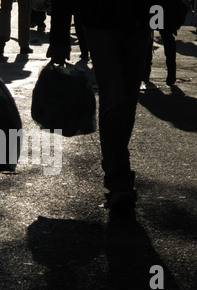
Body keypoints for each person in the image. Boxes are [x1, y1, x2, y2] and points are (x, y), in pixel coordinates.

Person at [47, 0, 153, 216]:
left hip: (136, 21)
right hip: (103, 21)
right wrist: (59, 39)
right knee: (115, 98)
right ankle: (119, 180)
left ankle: (117, 174)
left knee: (126, 102)